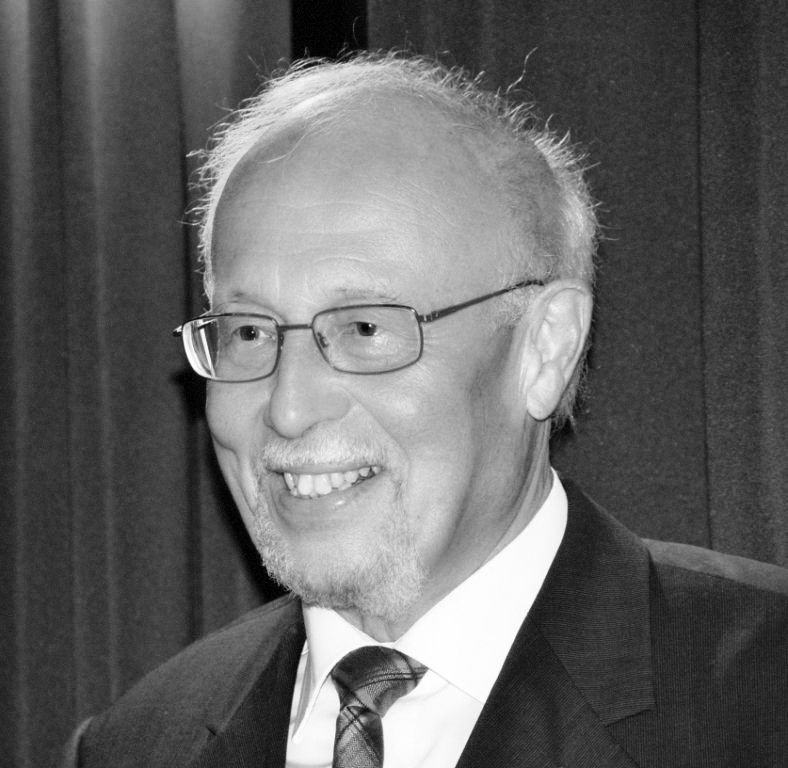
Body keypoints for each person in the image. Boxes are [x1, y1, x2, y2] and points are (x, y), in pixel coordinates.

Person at [64, 53, 788, 767]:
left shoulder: (762, 695)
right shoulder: (134, 745)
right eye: (249, 333)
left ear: (545, 349)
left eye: (365, 328)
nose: (289, 408)